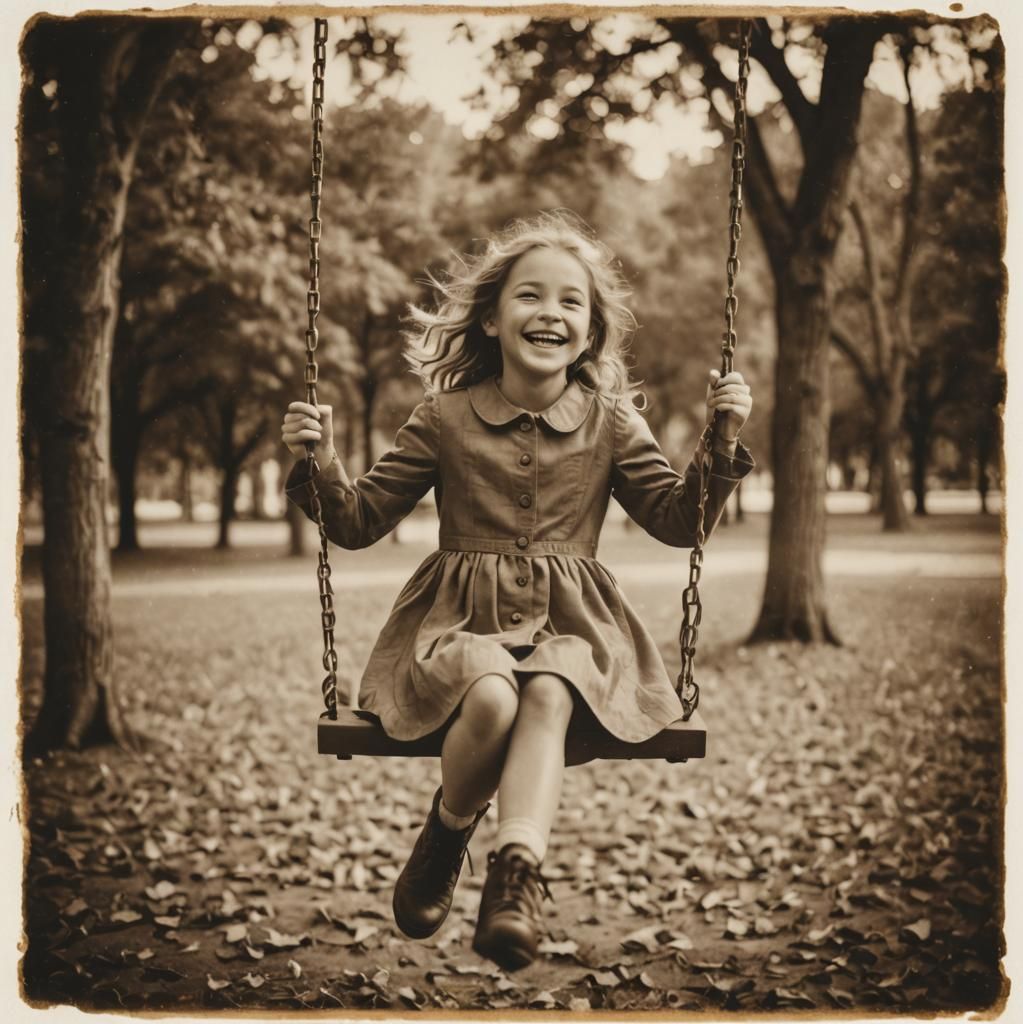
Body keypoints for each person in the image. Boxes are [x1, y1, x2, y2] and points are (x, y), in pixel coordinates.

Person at [281, 211, 754, 972]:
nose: (552, 313)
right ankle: (449, 829)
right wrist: (320, 460)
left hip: (574, 632)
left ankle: (516, 876)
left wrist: (719, 442)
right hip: (458, 629)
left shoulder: (611, 422)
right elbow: (360, 520)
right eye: (531, 297)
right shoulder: (443, 417)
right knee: (494, 689)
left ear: (593, 331)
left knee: (552, 684)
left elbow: (676, 521)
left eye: (572, 303)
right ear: (494, 320)